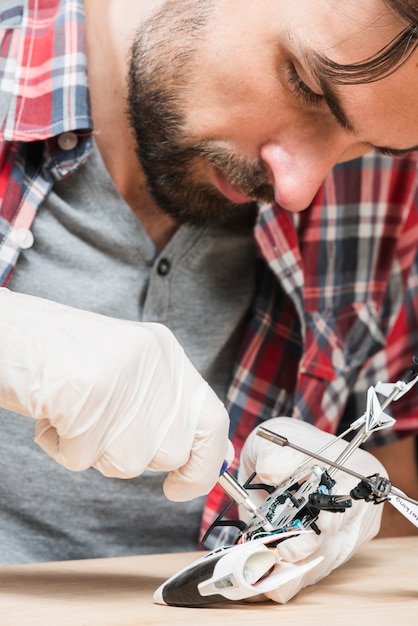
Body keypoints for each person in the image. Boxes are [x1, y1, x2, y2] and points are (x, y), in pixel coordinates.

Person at [0, 0, 417, 601]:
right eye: (304, 83)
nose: (298, 190)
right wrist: (17, 342)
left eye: (368, 146)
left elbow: (395, 488)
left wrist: (346, 512)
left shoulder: (382, 188)